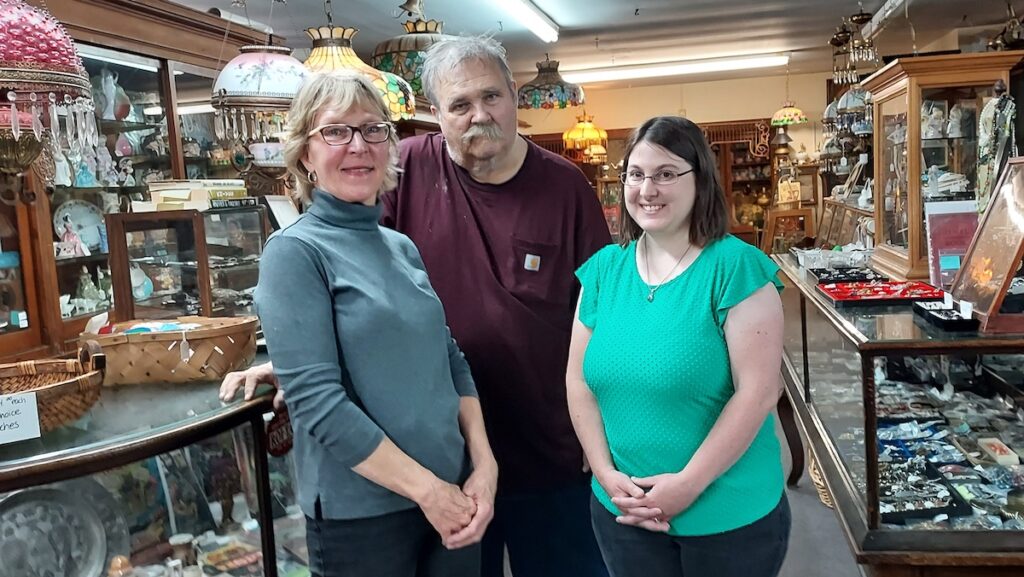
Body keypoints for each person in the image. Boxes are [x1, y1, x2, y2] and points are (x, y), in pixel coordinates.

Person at [221, 36, 612, 577]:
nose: (479, 115)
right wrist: (300, 357)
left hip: (544, 449)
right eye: (459, 104)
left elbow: (604, 319)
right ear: (435, 114)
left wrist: (604, 431)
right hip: (427, 471)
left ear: (514, 96)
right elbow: (346, 293)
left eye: (491, 97)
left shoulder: (566, 188)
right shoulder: (406, 171)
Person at [254, 70, 497, 577]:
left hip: (453, 497)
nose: (358, 146)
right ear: (305, 153)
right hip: (363, 520)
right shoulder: (295, 253)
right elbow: (319, 405)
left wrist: (484, 463)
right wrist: (429, 492)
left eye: (372, 130)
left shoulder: (399, 245)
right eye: (336, 131)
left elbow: (450, 360)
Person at [566, 116, 790, 577]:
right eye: (636, 174)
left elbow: (759, 393)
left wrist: (688, 484)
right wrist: (604, 473)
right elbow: (577, 380)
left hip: (727, 515)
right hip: (623, 511)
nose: (647, 189)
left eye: (666, 174)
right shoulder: (603, 272)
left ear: (699, 179)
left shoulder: (736, 268)